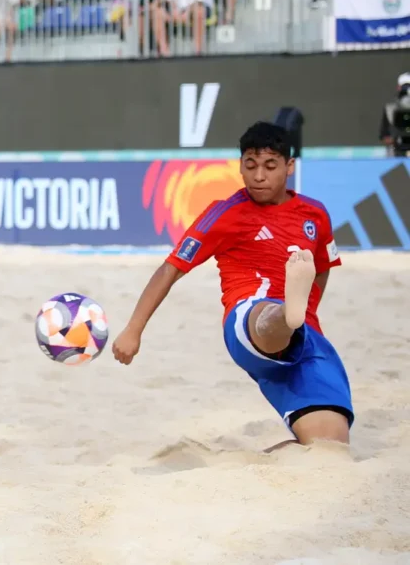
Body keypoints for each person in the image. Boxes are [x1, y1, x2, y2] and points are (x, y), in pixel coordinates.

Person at [112, 122, 352, 446]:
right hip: (248, 318)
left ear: (289, 166)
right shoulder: (226, 213)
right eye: (249, 166)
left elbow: (321, 268)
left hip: (307, 335)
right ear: (240, 166)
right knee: (271, 313)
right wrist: (133, 329)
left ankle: (293, 319)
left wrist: (309, 308)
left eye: (269, 166)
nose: (258, 176)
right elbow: (171, 268)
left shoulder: (315, 214)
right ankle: (287, 316)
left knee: (329, 445)